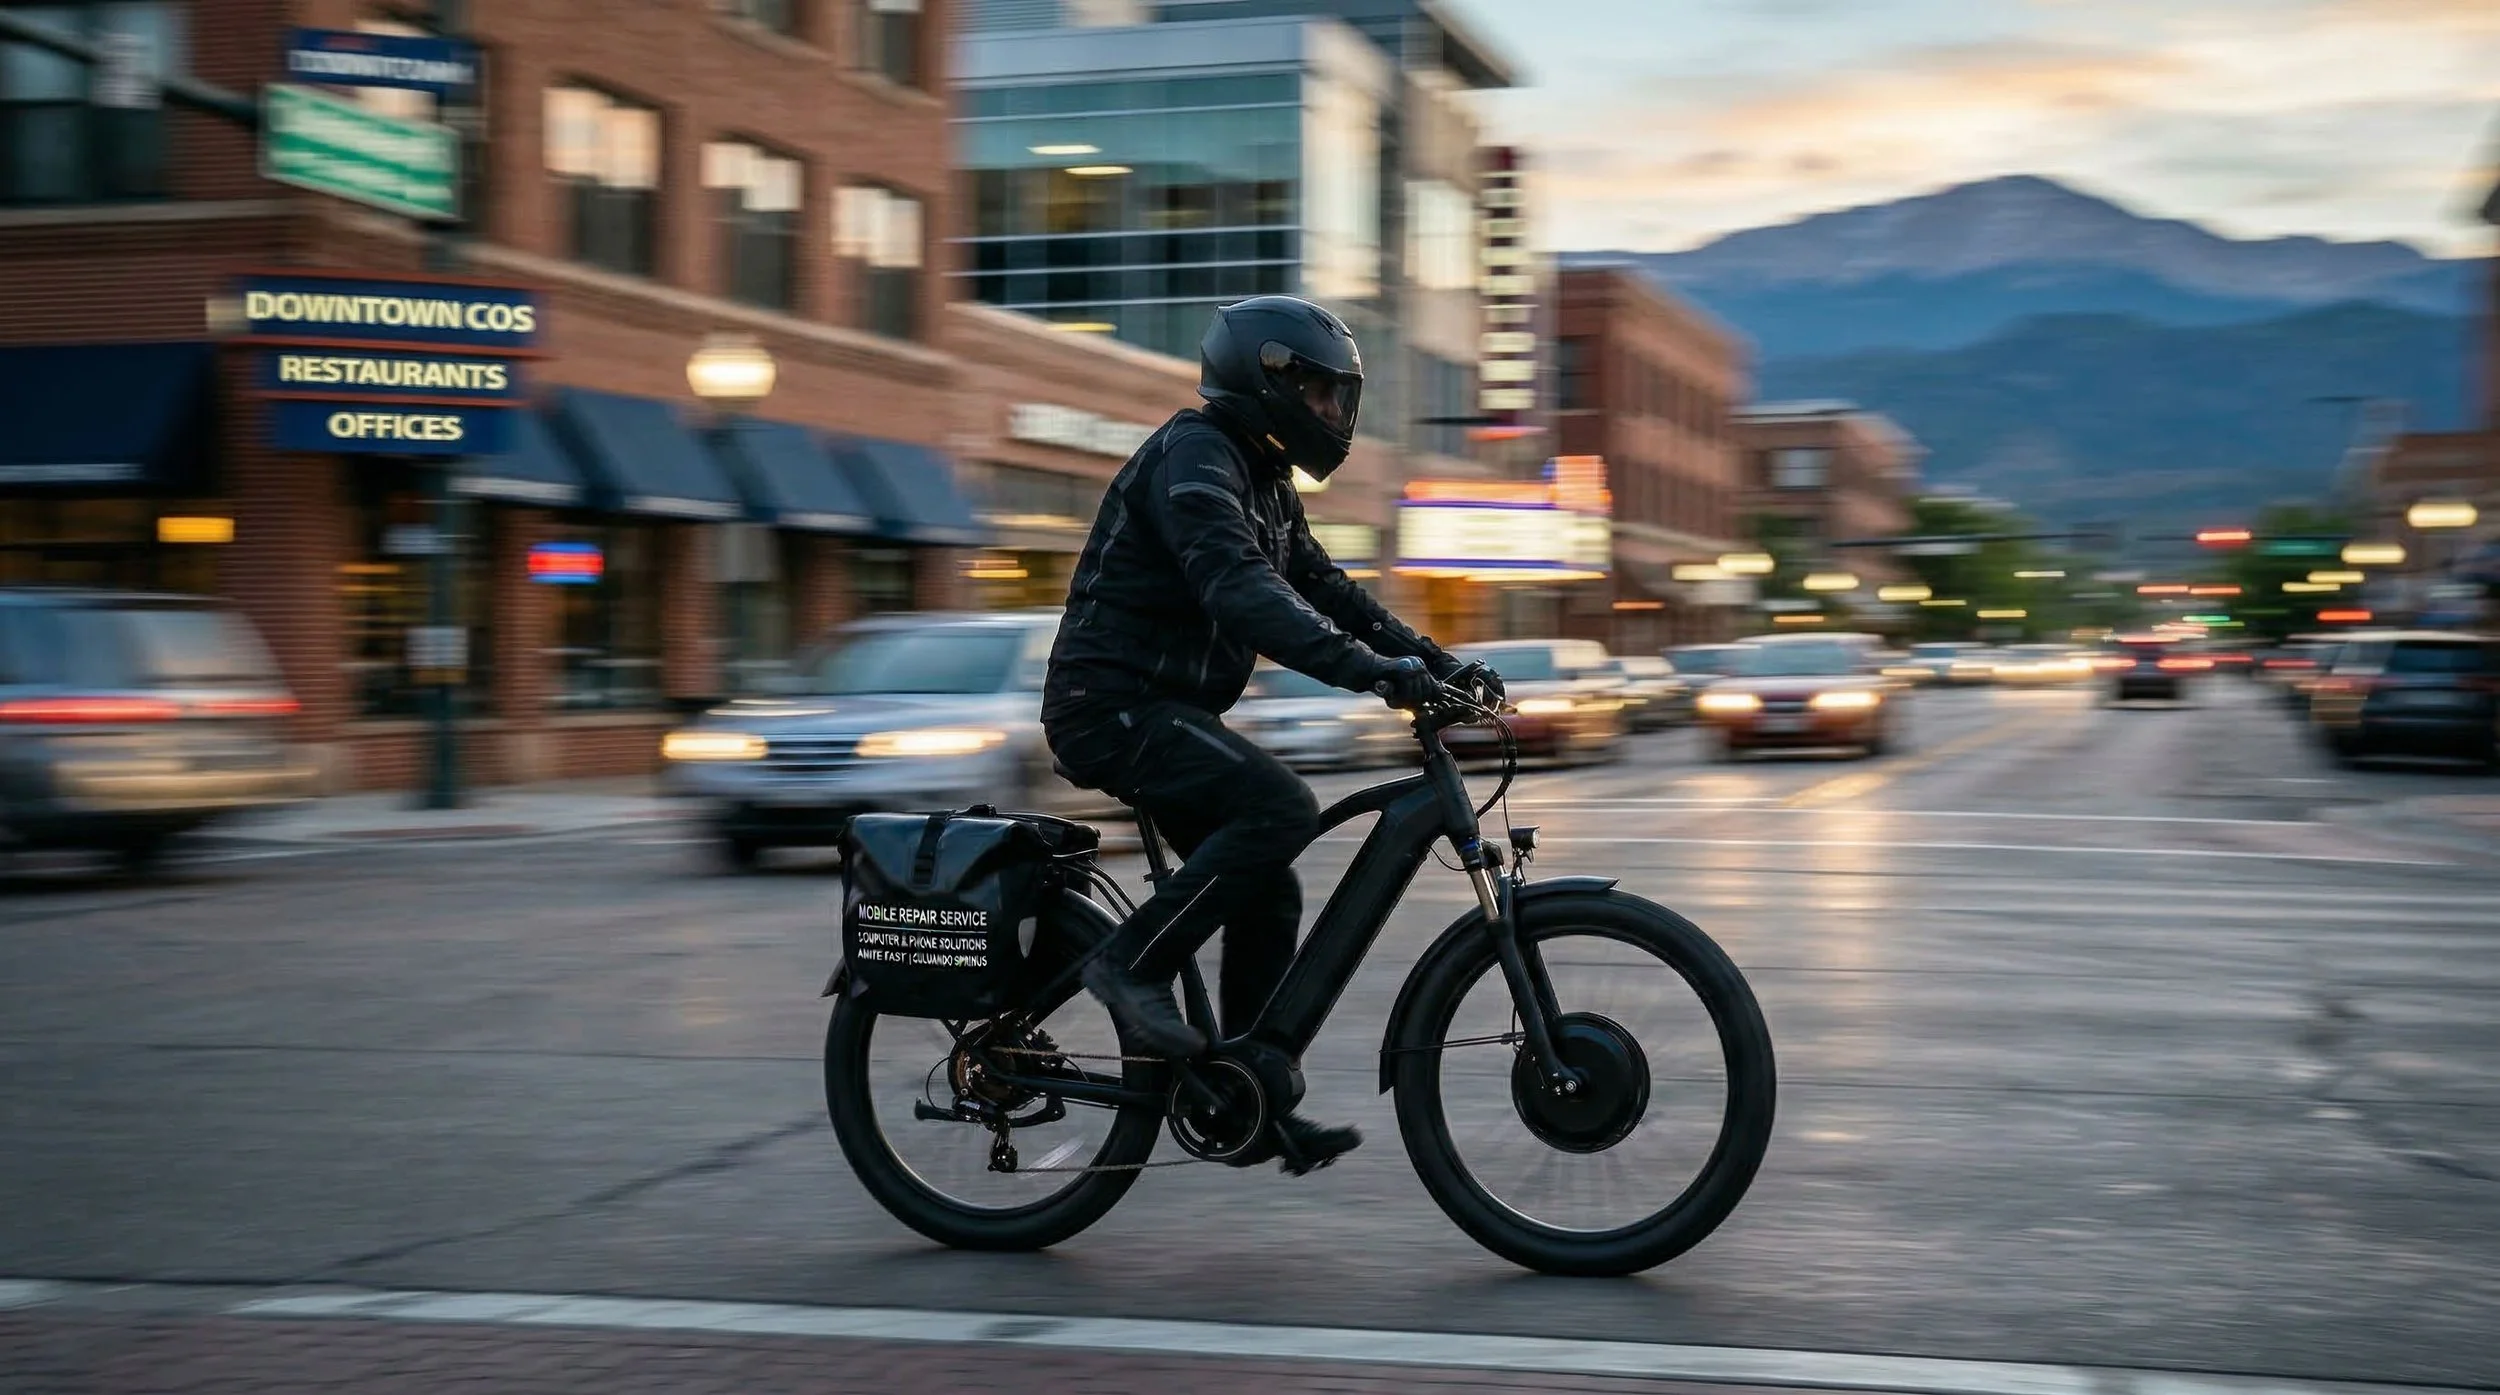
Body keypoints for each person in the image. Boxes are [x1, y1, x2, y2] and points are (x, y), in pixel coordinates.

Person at [1041, 295, 1499, 1173]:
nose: (1334, 415)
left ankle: (1241, 1090)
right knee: (1281, 805)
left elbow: (1328, 589)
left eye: (1340, 399)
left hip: (1169, 710)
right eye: (1323, 395)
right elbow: (1240, 588)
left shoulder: (1266, 480)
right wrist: (1369, 674)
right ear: (1269, 381)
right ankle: (1124, 968)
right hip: (1111, 706)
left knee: (1271, 889)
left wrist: (1433, 660)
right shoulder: (1196, 459)